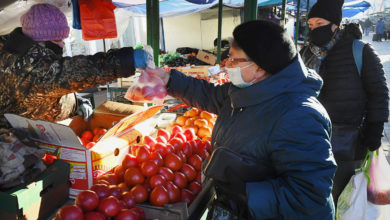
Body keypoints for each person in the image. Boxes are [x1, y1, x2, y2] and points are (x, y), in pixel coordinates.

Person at [149, 20, 337, 219]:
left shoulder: (300, 116)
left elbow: (310, 196)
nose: (227, 65)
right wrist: (169, 80)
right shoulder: (250, 91)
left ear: (260, 68)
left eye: (233, 59)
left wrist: (244, 192)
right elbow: (209, 94)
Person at [0, 3, 149, 133]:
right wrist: (128, 59)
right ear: (40, 40)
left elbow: (47, 92)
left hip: (33, 135)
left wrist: (76, 104)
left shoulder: (14, 53)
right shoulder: (33, 66)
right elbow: (79, 71)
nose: (62, 45)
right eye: (58, 39)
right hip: (17, 147)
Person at [300, 0, 389, 206]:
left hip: (348, 144)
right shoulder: (306, 54)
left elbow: (379, 92)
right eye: (310, 25)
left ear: (334, 25)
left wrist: (375, 129)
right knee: (313, 197)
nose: (314, 30)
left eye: (319, 23)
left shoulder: (361, 51)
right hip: (308, 139)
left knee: (342, 197)